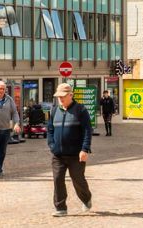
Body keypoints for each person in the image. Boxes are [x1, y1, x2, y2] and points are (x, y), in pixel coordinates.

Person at [47, 83, 93, 217]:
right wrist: (52, 145)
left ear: (70, 95)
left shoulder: (80, 110)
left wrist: (85, 149)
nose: (60, 99)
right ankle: (60, 208)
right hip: (58, 154)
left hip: (76, 154)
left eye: (63, 96)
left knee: (78, 180)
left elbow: (87, 131)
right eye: (58, 97)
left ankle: (86, 198)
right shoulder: (54, 110)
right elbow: (50, 129)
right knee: (57, 179)